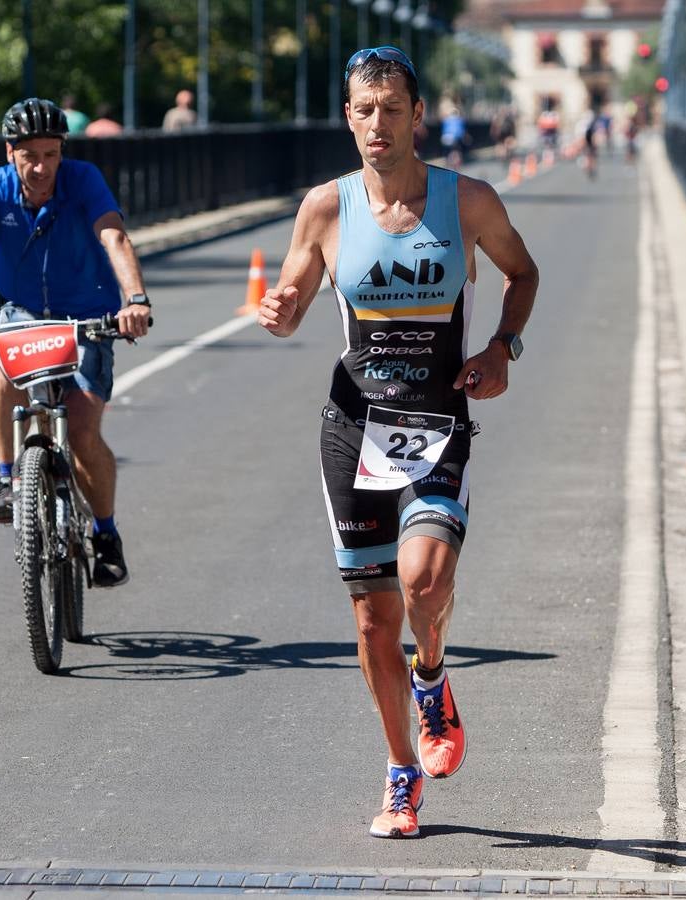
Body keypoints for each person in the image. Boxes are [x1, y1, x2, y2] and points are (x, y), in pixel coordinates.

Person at [256, 47, 539, 839]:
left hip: (436, 420)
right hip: (353, 428)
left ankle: (434, 676)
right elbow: (296, 295)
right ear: (347, 116)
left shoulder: (468, 201)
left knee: (424, 581)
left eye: (391, 108)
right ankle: (400, 774)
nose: (377, 124)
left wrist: (499, 350)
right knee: (374, 619)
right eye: (362, 109)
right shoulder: (325, 208)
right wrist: (280, 312)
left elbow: (524, 275)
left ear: (418, 115)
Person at [0, 98, 152, 588]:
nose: (42, 166)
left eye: (51, 153)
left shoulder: (83, 180)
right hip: (21, 311)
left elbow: (114, 236)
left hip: (87, 313)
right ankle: (9, 480)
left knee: (84, 429)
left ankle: (105, 534)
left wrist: (134, 300)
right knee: (6, 370)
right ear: (11, 154)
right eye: (30, 155)